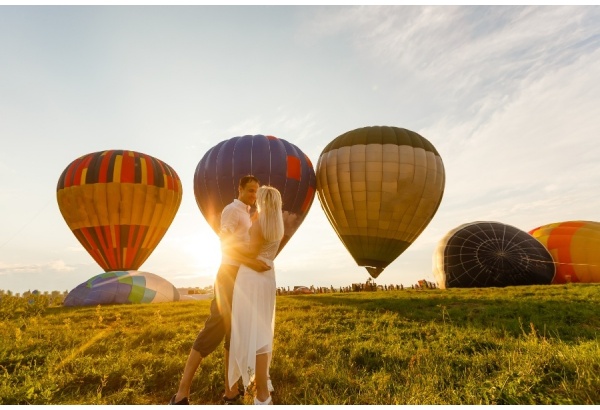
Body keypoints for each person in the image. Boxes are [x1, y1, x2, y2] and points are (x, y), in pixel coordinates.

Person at [170, 175, 270, 405]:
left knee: (233, 336)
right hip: (228, 274)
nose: (254, 196)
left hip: (242, 277)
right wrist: (252, 261)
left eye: (256, 192)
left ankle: (230, 392)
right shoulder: (231, 211)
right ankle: (181, 394)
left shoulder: (247, 213)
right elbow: (225, 243)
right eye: (250, 191)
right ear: (240, 189)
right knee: (213, 329)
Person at [227, 186, 284, 405]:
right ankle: (264, 381)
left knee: (250, 329)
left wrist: (231, 246)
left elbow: (250, 253)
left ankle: (261, 394)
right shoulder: (275, 226)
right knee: (262, 329)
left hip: (251, 277)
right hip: (267, 276)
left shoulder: (259, 225)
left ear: (262, 201)